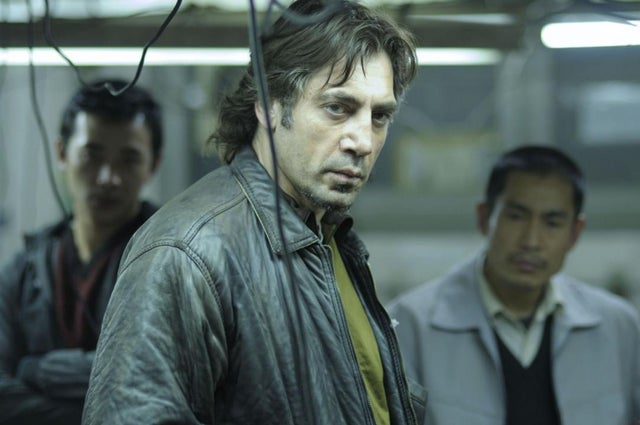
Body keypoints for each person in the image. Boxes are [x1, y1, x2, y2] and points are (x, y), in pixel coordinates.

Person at [82, 1, 424, 424]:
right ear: (268, 105)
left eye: (380, 116)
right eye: (338, 108)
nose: (363, 141)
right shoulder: (186, 254)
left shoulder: (328, 238)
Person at [387, 145, 640, 425]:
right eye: (516, 217)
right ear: (484, 218)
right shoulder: (408, 326)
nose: (531, 241)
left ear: (575, 233)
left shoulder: (620, 328)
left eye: (552, 223)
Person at [0, 78, 163, 424]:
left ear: (153, 164)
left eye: (129, 160)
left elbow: (159, 379)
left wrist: (36, 370)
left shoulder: (170, 260)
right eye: (92, 155)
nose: (108, 178)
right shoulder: (25, 269)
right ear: (62, 153)